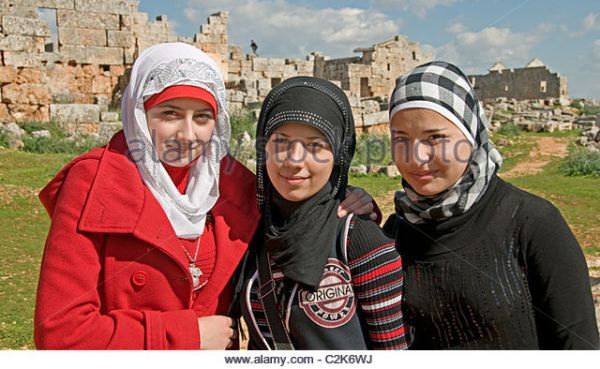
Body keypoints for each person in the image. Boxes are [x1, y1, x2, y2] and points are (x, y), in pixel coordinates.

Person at [34, 43, 374, 350]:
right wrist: (186, 336)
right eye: (169, 114)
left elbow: (297, 205)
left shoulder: (233, 183)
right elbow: (60, 331)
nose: (187, 134)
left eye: (202, 117)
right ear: (140, 113)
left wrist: (345, 197)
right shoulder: (94, 184)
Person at [384, 60, 599, 350]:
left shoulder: (533, 223)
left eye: (435, 137)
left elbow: (579, 346)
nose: (416, 157)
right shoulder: (397, 230)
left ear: (471, 135)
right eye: (401, 139)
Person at [239, 76, 408, 350]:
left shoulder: (359, 238)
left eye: (315, 146)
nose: (294, 160)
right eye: (280, 142)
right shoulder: (248, 230)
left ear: (339, 154)